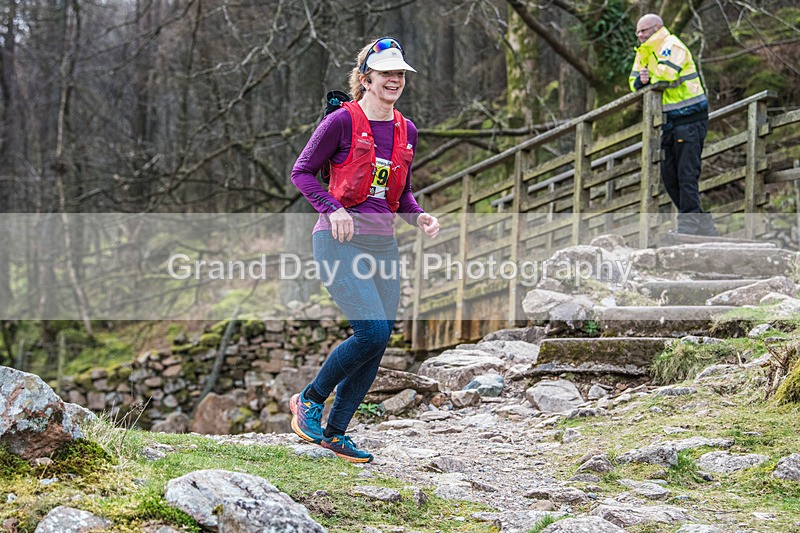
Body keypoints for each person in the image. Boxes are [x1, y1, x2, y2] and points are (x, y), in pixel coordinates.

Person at [288, 37, 439, 463]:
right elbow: (302, 172)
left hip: (383, 243)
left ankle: (336, 432)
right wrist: (331, 208)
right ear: (366, 77)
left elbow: (401, 194)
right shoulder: (341, 121)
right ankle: (310, 400)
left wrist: (419, 216)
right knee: (370, 331)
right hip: (337, 240)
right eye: (386, 72)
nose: (394, 80)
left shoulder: (407, 130)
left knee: (379, 340)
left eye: (400, 74)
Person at [629, 14, 719, 236]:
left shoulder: (672, 45)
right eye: (637, 32)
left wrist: (648, 75)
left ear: (657, 27)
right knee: (669, 177)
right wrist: (642, 80)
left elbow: (667, 74)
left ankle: (688, 228)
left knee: (686, 174)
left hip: (690, 118)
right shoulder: (643, 52)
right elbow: (633, 82)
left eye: (644, 30)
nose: (639, 35)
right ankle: (703, 225)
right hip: (668, 121)